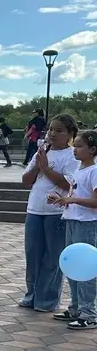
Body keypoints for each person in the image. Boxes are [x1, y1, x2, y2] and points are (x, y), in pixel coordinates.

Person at [19, 114, 79, 312]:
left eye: (59, 130)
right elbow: (26, 180)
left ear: (70, 134)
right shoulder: (42, 152)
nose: (53, 134)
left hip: (57, 212)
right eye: (51, 129)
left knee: (52, 258)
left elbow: (68, 184)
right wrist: (38, 164)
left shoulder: (73, 156)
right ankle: (31, 295)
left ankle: (47, 300)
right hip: (35, 209)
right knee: (33, 255)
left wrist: (46, 168)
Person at [49, 130, 97, 329]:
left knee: (86, 269)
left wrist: (72, 199)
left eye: (79, 146)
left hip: (87, 225)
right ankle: (76, 308)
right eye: (74, 145)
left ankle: (89, 313)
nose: (75, 149)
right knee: (73, 267)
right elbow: (76, 194)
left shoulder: (94, 171)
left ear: (93, 149)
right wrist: (62, 201)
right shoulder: (79, 169)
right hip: (72, 220)